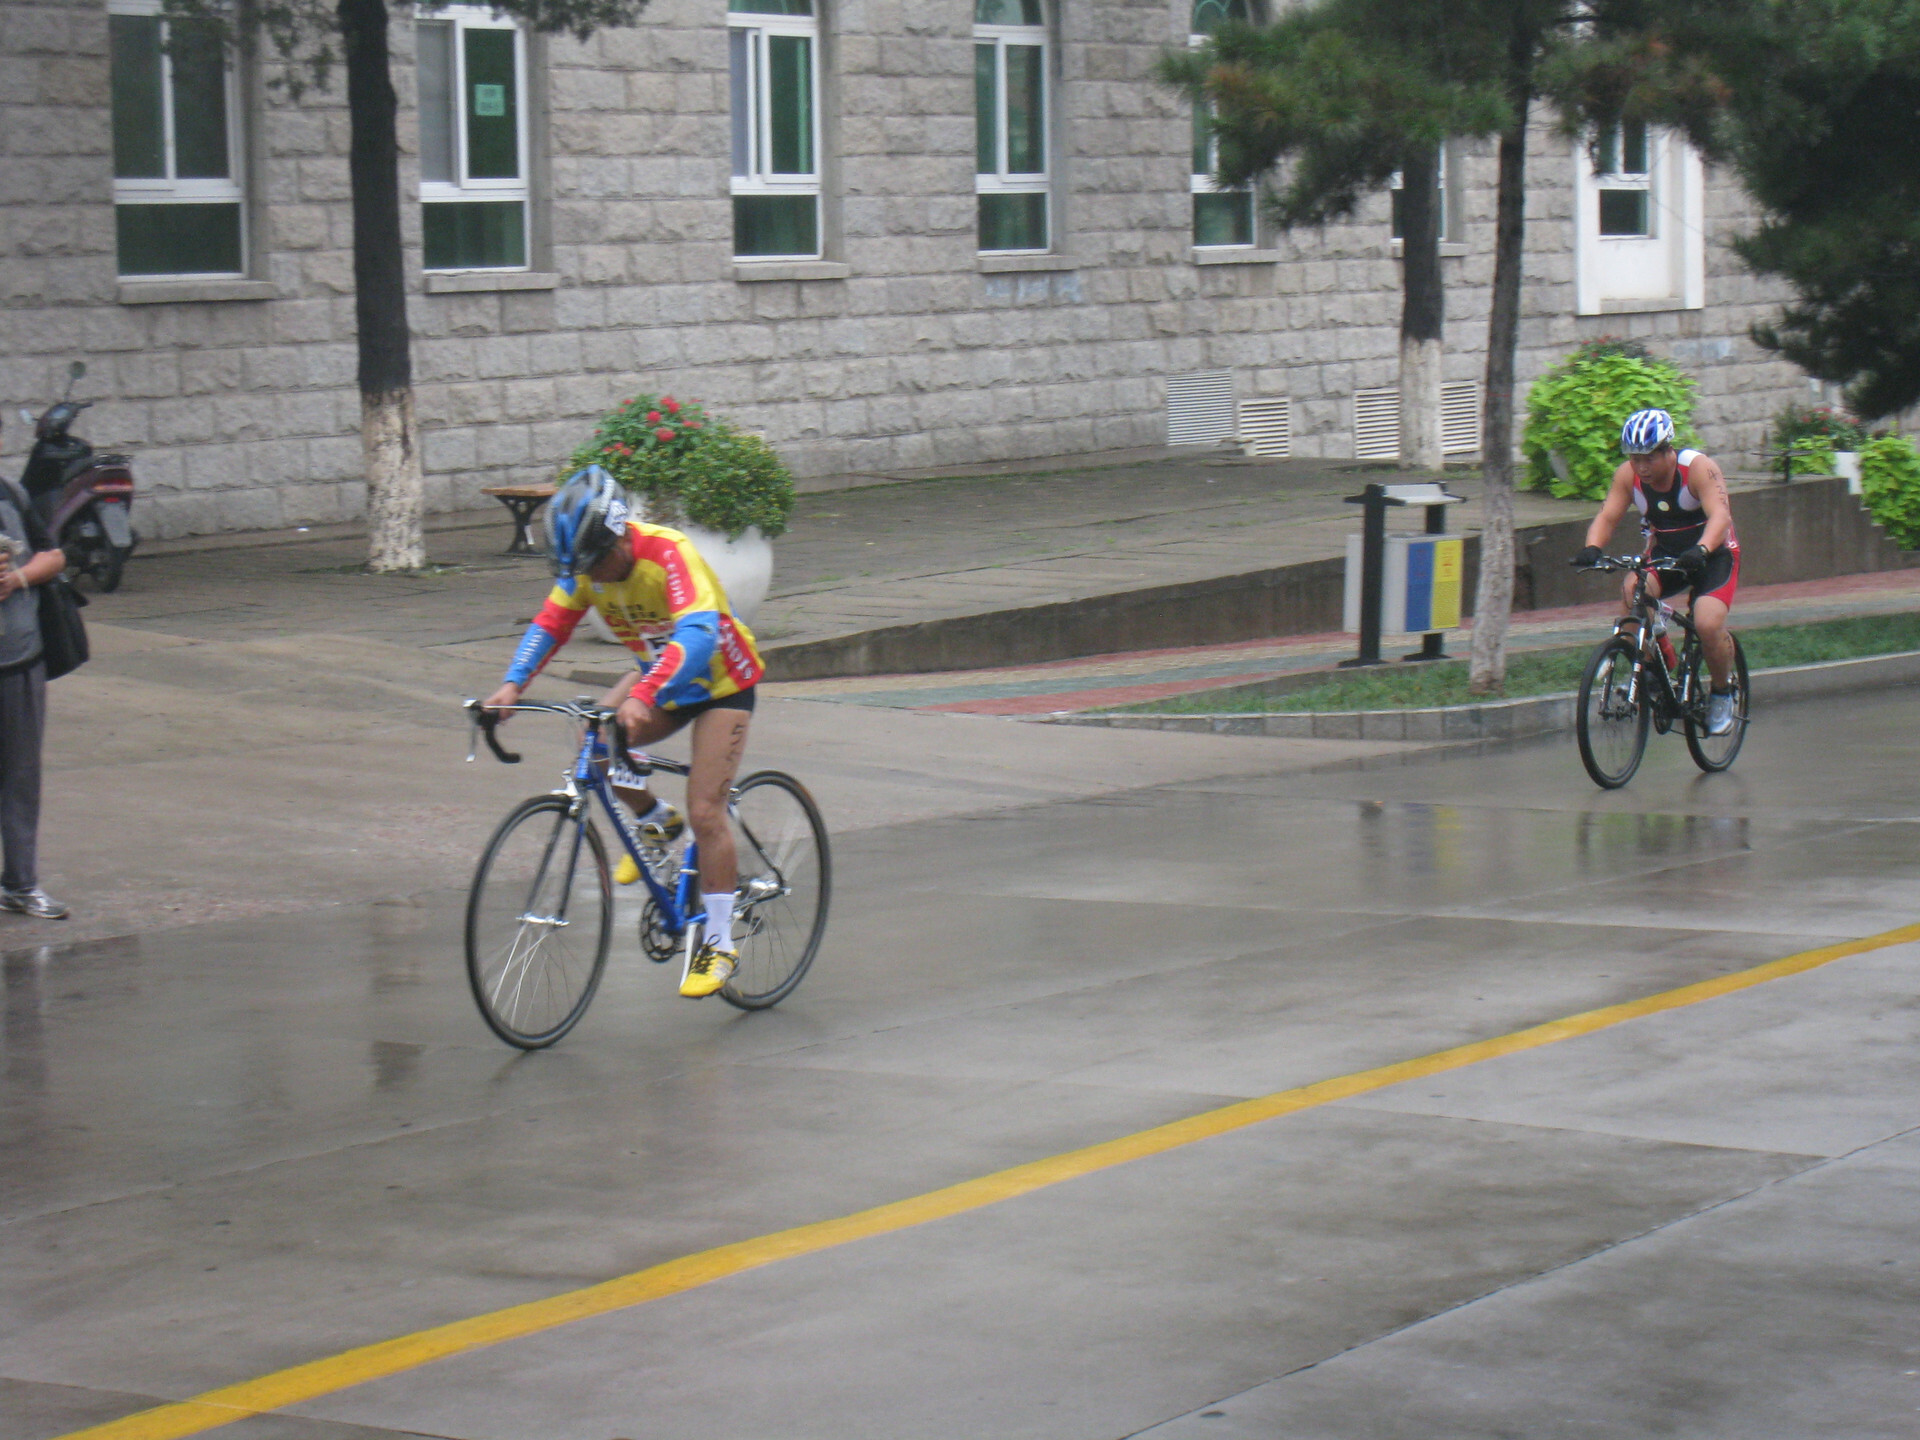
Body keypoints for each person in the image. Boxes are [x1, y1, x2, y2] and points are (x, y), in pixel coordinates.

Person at [483, 467, 763, 998]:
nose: (591, 578)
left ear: (619, 538)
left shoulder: (669, 553)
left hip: (721, 682)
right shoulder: (588, 567)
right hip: (659, 679)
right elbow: (551, 623)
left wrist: (643, 694)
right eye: (580, 569)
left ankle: (719, 941)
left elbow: (699, 635)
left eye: (595, 563)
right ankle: (656, 821)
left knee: (706, 810)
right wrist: (512, 684)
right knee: (594, 745)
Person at [1574, 408, 1740, 735]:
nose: (1641, 467)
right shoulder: (1628, 476)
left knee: (1707, 623)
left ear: (1668, 450)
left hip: (1713, 553)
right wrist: (1592, 547)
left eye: (1649, 458)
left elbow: (1720, 516)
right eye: (1635, 458)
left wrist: (1702, 549)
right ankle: (1652, 666)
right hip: (1667, 553)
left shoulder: (1698, 469)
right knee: (1632, 591)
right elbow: (1608, 516)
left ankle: (1723, 692)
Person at [0, 464, 72, 920]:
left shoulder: (11, 493)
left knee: (21, 777)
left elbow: (55, 556)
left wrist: (18, 578)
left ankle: (20, 884)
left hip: (20, 660)